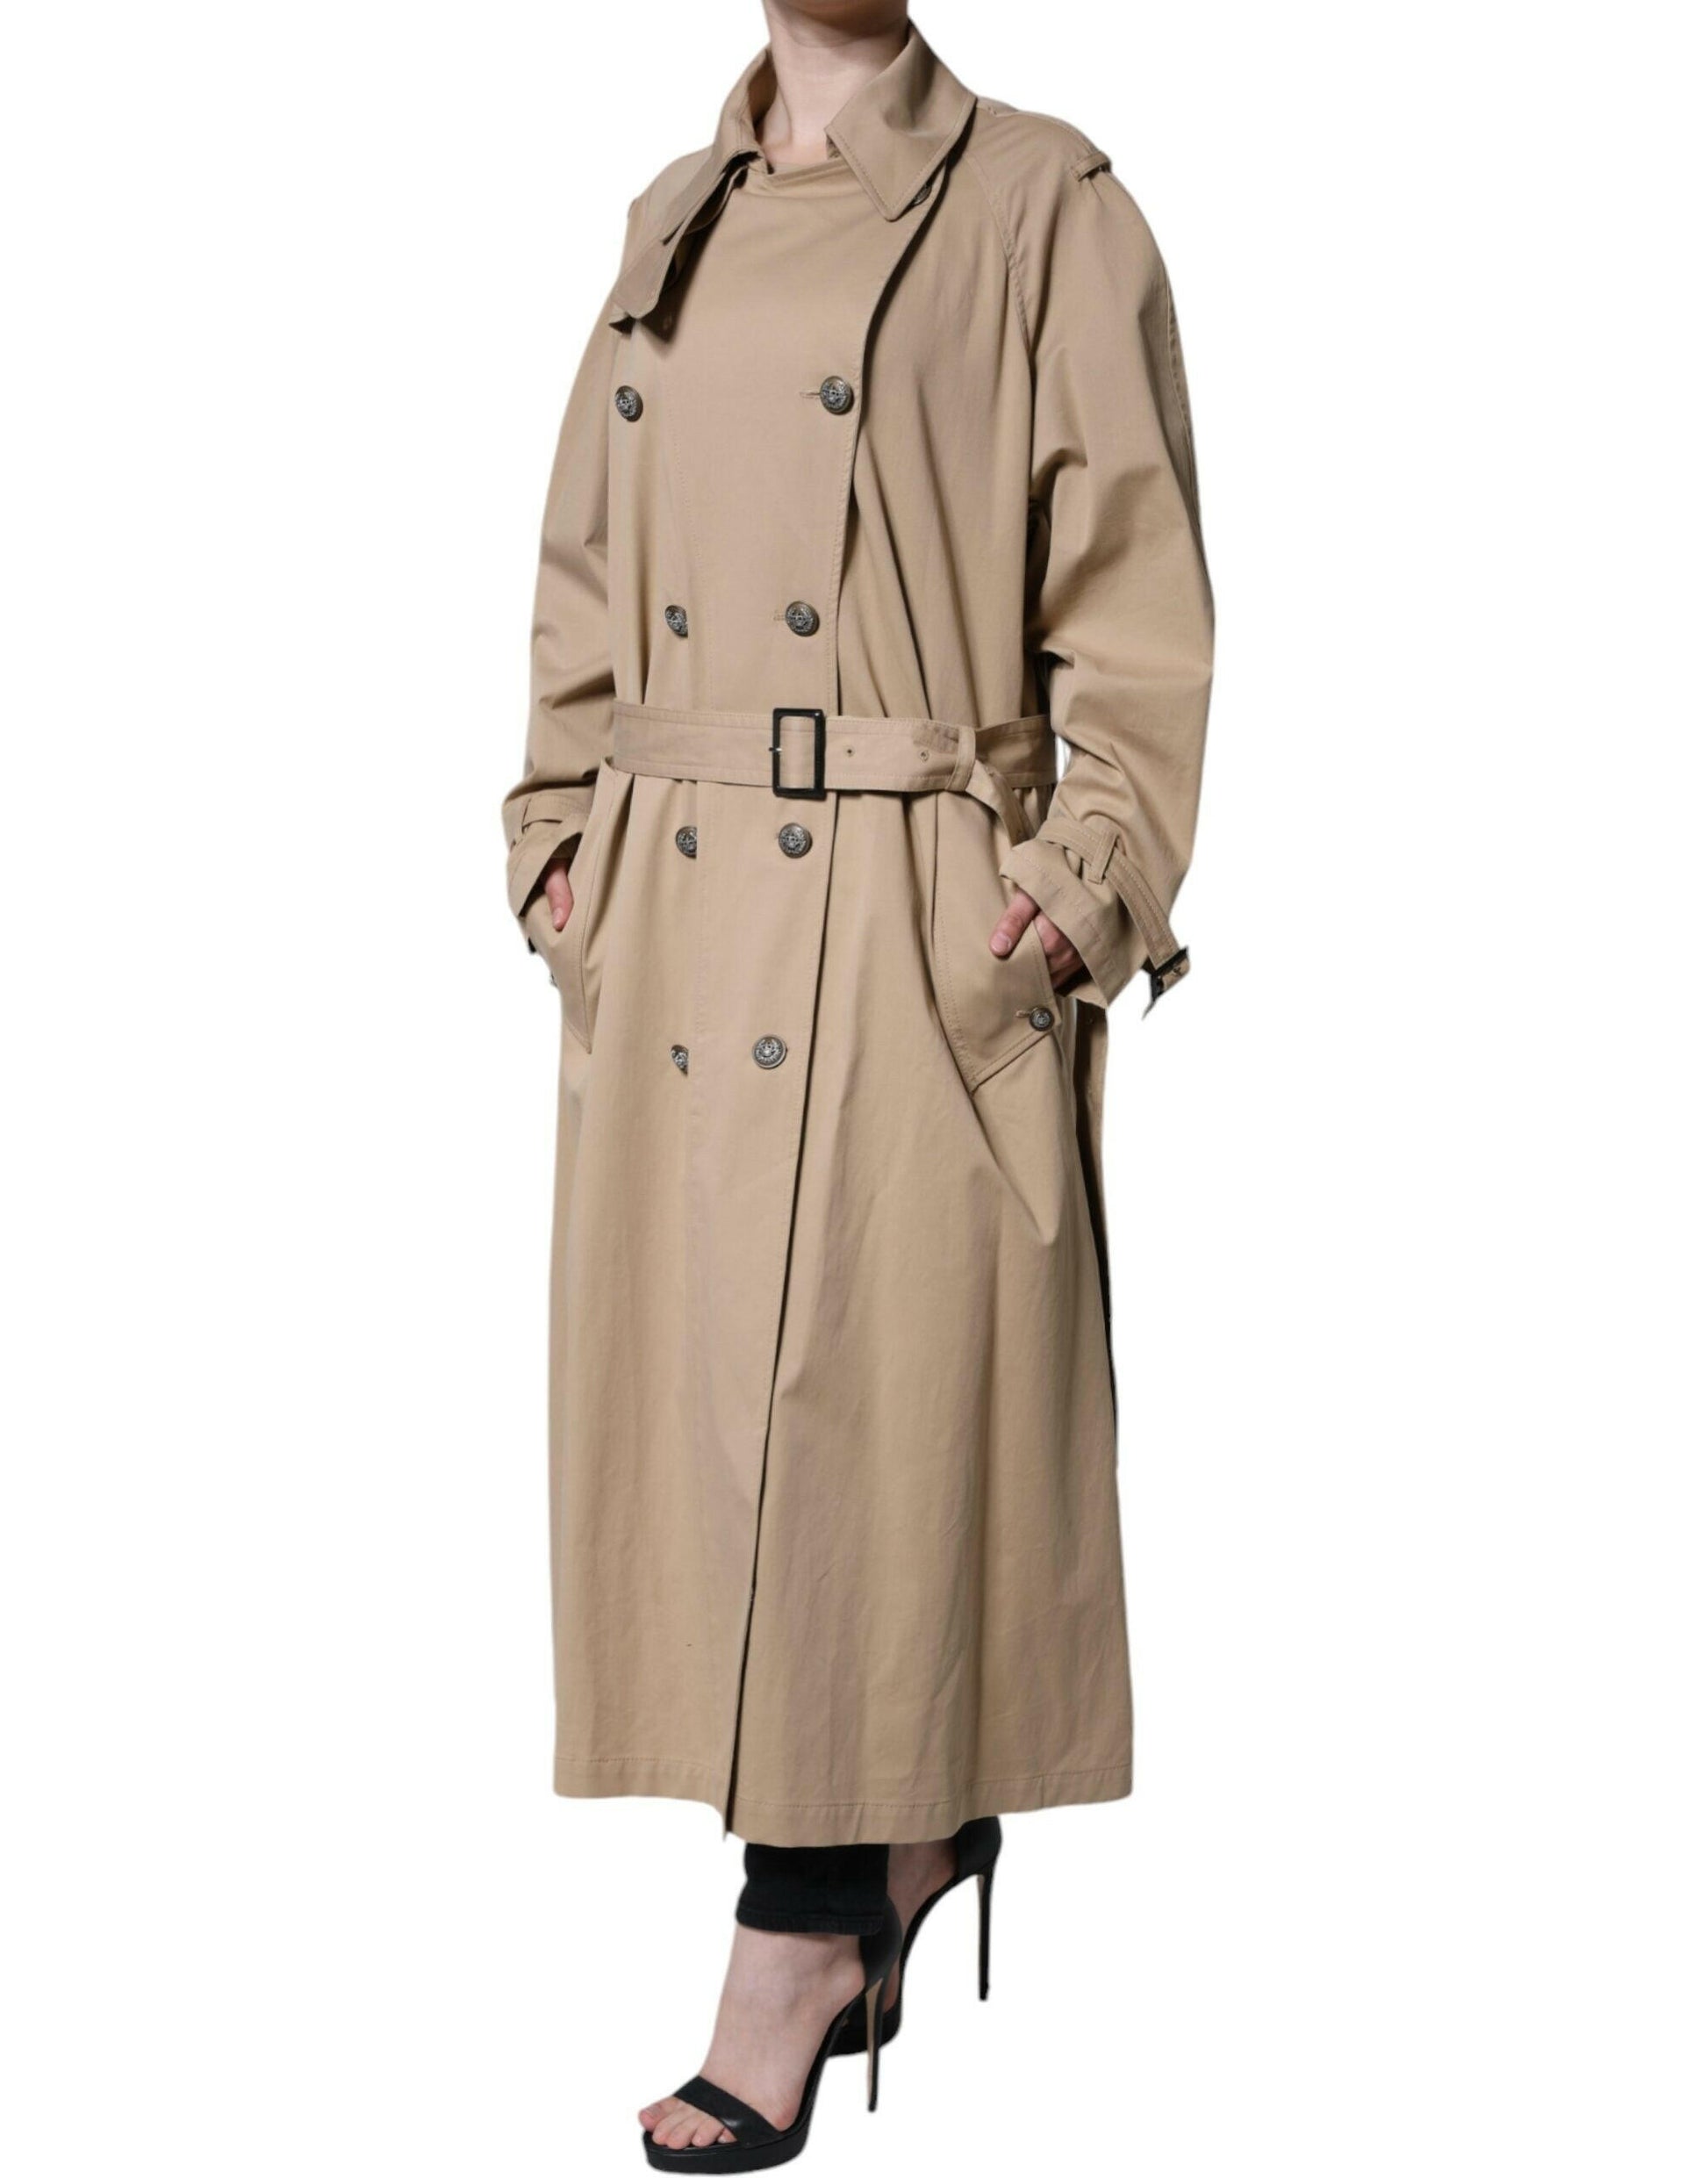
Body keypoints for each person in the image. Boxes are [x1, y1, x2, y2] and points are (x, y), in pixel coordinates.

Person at [500, 2, 1213, 2164]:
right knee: (717, 1438)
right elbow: (587, 572)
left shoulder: (1044, 205)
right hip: (681, 907)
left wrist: (1069, 896)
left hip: (910, 907)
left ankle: (805, 1918)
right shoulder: (673, 215)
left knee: (860, 1426)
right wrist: (557, 848)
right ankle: (888, 1845)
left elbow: (1141, 622)